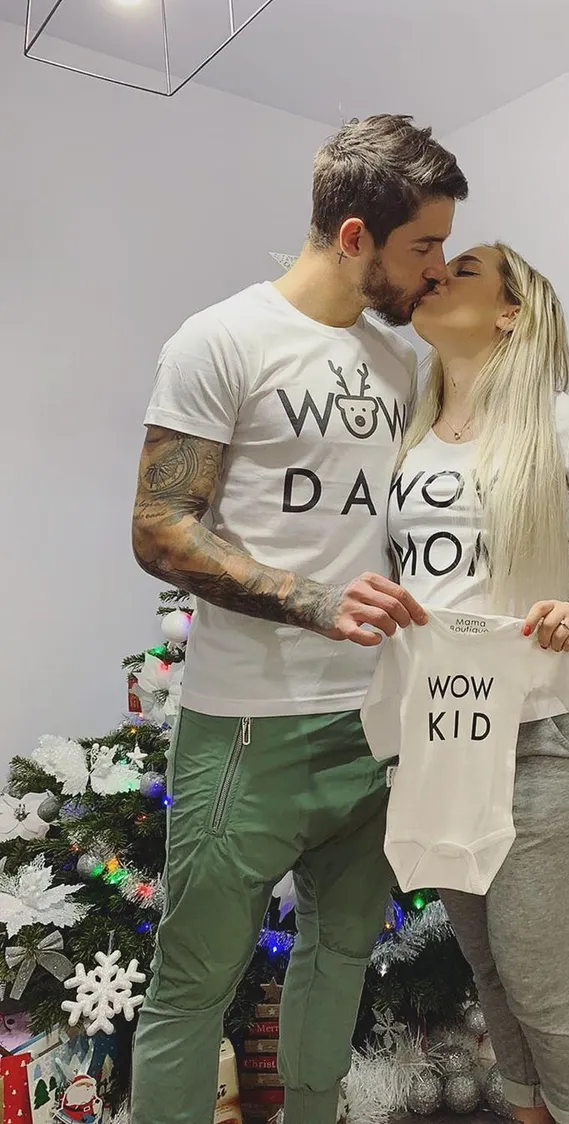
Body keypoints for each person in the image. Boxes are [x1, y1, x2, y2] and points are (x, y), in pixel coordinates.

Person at [128, 114, 468, 1124]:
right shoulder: (221, 340)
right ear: (356, 236)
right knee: (193, 985)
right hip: (246, 729)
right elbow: (160, 527)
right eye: (424, 245)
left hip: (372, 727)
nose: (436, 269)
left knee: (341, 951)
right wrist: (314, 600)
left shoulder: (399, 365)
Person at [389, 243, 569, 1124]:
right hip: (441, 739)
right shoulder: (405, 434)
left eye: (463, 270)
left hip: (547, 739)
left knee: (542, 977)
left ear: (511, 313)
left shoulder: (567, 423)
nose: (436, 274)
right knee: (489, 970)